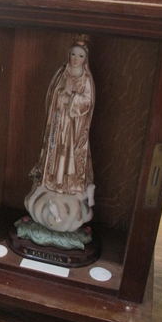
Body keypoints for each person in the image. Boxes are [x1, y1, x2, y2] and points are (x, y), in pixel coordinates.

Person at [24, 39, 96, 233]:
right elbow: (53, 94)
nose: (76, 59)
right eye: (73, 54)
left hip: (74, 127)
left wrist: (72, 98)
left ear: (85, 59)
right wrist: (61, 96)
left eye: (80, 56)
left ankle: (68, 185)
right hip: (58, 121)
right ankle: (52, 179)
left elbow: (87, 102)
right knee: (55, 151)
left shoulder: (86, 79)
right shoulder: (62, 73)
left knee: (70, 154)